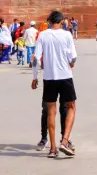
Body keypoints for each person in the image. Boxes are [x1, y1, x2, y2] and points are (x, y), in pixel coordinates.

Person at [32, 10, 77, 158]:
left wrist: (34, 77)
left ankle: (52, 149)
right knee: (71, 107)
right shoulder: (67, 34)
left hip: (49, 78)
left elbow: (36, 58)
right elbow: (73, 56)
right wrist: (71, 62)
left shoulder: (43, 35)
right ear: (62, 21)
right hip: (65, 76)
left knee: (51, 111)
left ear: (49, 21)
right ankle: (64, 141)